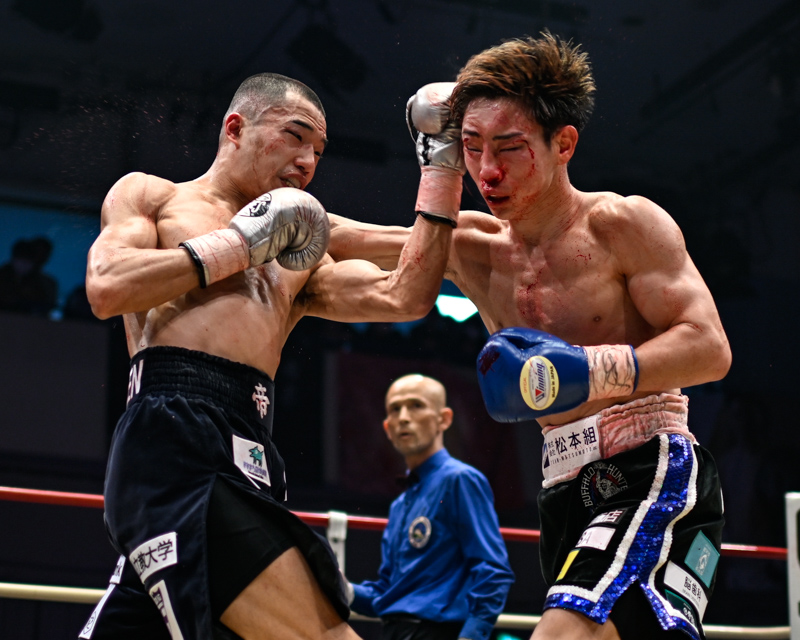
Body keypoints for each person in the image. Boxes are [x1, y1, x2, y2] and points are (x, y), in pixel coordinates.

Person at [329, 33, 731, 640]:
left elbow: (709, 347)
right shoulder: (471, 247)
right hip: (562, 487)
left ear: (563, 143)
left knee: (563, 632)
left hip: (647, 464)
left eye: (510, 148)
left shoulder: (622, 224)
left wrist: (591, 370)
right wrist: (234, 224)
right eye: (469, 148)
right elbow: (341, 238)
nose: (487, 171)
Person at [78, 72, 458, 640]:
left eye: (319, 151)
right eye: (295, 136)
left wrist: (443, 167)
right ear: (236, 127)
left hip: (253, 454)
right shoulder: (153, 196)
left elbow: (405, 293)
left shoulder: (298, 254)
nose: (308, 161)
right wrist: (238, 244)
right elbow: (107, 287)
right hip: (175, 441)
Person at [346, 374, 514, 640]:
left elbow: (493, 572)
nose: (403, 416)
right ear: (387, 428)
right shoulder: (400, 505)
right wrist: (339, 586)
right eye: (395, 409)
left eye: (416, 405)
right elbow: (386, 593)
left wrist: (471, 637)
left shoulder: (459, 480)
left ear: (444, 419)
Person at [0, 236, 58, 315]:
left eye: (28, 261)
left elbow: (43, 303)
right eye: (21, 260)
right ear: (14, 259)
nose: (24, 265)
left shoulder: (37, 282)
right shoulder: (3, 275)